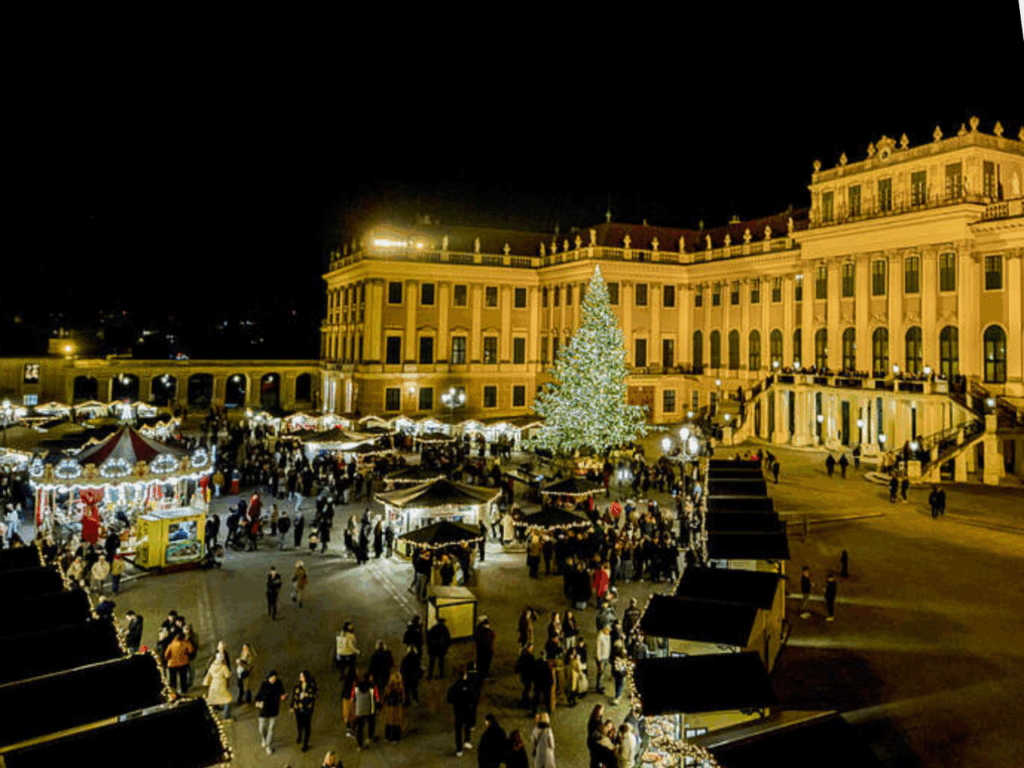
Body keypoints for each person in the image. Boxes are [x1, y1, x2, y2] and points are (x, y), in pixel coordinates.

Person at [254, 670, 287, 755]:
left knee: (271, 728)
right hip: (264, 709)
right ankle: (264, 739)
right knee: (261, 728)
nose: (273, 679)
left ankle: (268, 745)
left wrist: (283, 696)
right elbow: (259, 694)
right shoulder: (264, 684)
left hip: (274, 708)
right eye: (272, 678)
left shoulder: (278, 683)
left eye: (274, 678)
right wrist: (257, 701)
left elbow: (283, 693)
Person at [448, 666, 477, 757]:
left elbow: (449, 699)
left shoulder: (454, 687)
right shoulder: (469, 686)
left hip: (458, 711)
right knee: (467, 725)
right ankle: (467, 741)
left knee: (458, 730)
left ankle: (459, 749)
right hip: (467, 709)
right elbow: (474, 697)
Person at [204, 644, 234, 721]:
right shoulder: (223, 666)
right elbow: (228, 675)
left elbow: (208, 674)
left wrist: (206, 682)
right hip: (221, 684)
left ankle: (212, 717)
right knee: (228, 699)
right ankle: (227, 717)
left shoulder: (212, 665)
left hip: (213, 685)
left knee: (213, 700)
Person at [290, 670, 317, 752]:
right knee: (299, 724)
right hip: (298, 708)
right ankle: (299, 735)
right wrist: (292, 706)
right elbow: (294, 697)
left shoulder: (311, 686)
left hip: (307, 709)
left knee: (307, 726)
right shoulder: (297, 687)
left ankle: (305, 743)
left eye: (302, 676)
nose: (300, 678)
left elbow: (315, 695)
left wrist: (307, 695)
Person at [352, 673, 380, 750]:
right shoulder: (372, 686)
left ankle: (360, 744)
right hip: (370, 709)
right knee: (371, 723)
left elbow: (353, 698)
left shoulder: (356, 687)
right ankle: (370, 737)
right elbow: (376, 698)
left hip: (359, 710)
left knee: (360, 728)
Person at [381, 669, 405, 742]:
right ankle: (392, 737)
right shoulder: (397, 687)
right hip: (392, 704)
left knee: (393, 720)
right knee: (392, 720)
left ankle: (392, 736)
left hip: (393, 704)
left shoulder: (396, 687)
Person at [516, 642, 536, 708]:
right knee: (527, 688)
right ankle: (525, 701)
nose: (532, 649)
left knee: (526, 688)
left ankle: (524, 701)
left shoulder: (523, 655)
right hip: (528, 675)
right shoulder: (529, 656)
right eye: (531, 648)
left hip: (525, 675)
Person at [595, 624, 611, 694]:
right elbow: (598, 649)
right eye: (607, 631)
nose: (608, 632)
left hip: (606, 656)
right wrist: (599, 659)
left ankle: (600, 685)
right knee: (600, 672)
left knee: (602, 672)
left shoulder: (607, 635)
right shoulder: (600, 637)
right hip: (601, 658)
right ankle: (598, 687)